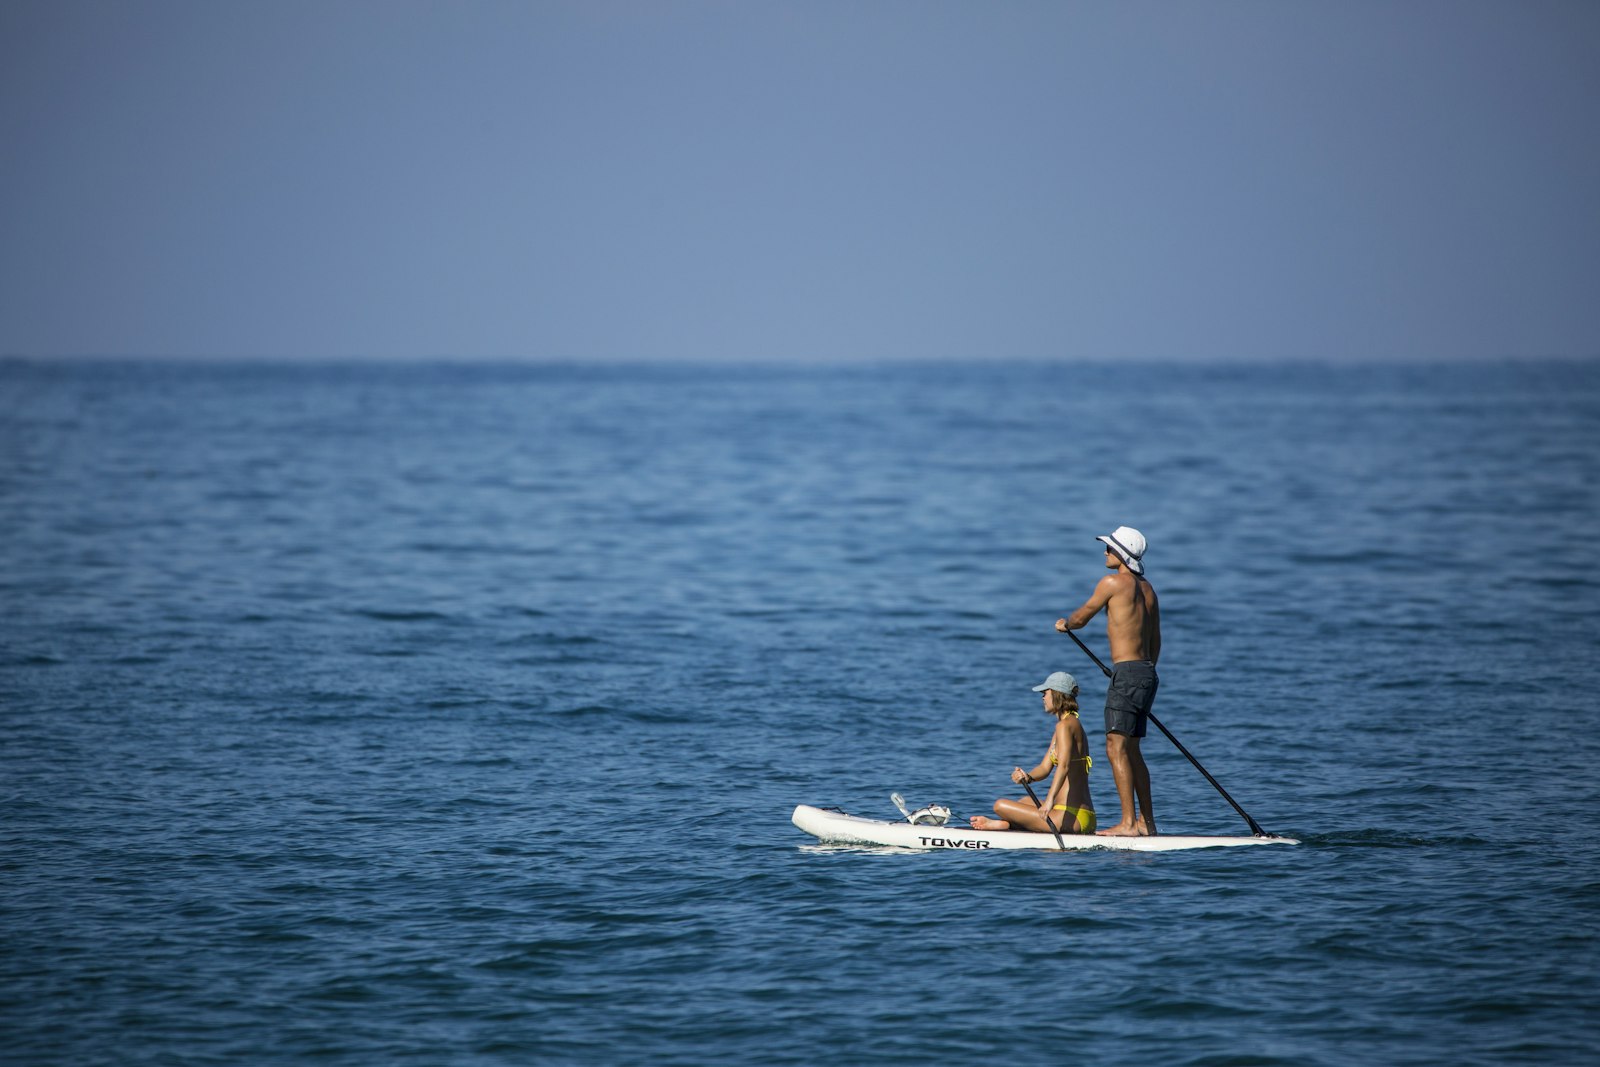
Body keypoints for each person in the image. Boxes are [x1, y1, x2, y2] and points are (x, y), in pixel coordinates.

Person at [1056, 526, 1161, 837]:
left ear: (1122, 555)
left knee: (1115, 748)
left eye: (1110, 549)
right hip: (1147, 672)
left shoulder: (1112, 583)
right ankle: (1146, 823)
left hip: (1127, 673)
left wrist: (1066, 623)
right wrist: (1145, 672)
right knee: (1132, 750)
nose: (1105, 553)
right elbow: (1156, 639)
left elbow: (1083, 615)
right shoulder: (1148, 589)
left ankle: (1129, 824)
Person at [969, 672, 1096, 834]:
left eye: (1045, 693)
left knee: (999, 805)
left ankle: (1003, 824)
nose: (1043, 698)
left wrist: (1049, 801)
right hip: (1080, 815)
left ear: (1057, 694)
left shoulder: (1064, 726)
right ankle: (1004, 824)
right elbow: (1044, 768)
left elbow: (1063, 766)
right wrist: (1027, 777)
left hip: (1070, 818)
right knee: (1025, 801)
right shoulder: (1069, 724)